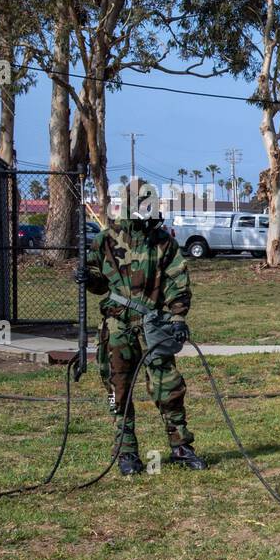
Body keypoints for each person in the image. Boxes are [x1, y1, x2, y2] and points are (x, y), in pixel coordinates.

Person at [74, 202, 207, 475]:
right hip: (118, 324)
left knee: (167, 384)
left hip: (153, 323)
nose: (150, 219)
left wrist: (178, 318)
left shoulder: (163, 242)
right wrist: (87, 277)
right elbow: (99, 283)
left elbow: (177, 279)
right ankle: (126, 452)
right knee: (118, 387)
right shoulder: (105, 241)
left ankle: (181, 446)